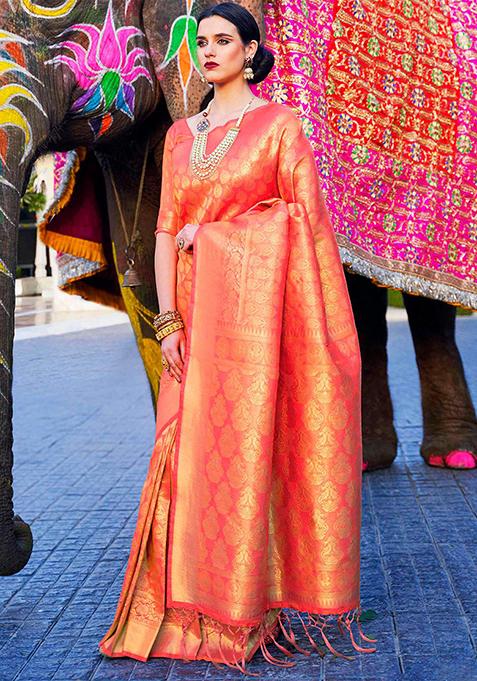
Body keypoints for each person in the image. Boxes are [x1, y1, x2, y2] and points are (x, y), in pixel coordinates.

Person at [98, 2, 376, 672]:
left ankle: (242, 614)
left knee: (247, 455)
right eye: (204, 41)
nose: (211, 50)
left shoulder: (280, 126)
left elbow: (302, 226)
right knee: (180, 456)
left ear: (251, 53)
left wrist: (217, 237)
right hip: (190, 324)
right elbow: (165, 229)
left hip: (255, 331)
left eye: (225, 41)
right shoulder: (178, 138)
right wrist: (165, 321)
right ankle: (175, 613)